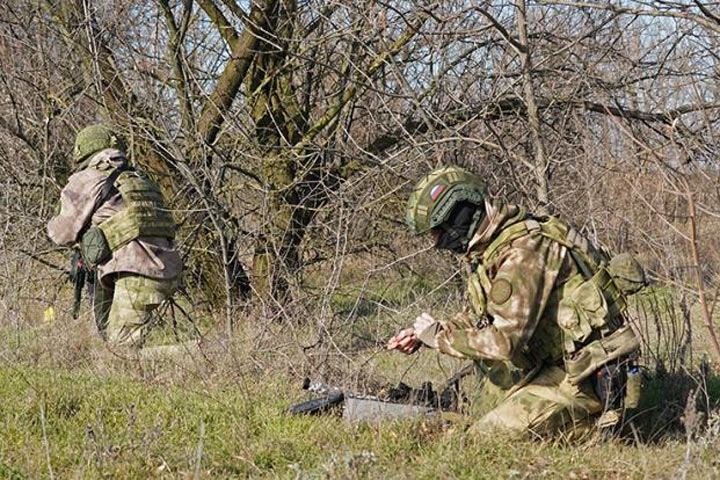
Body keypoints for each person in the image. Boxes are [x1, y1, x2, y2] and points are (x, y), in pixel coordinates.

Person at [388, 166, 644, 436]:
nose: (436, 242)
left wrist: (439, 338)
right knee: (473, 413)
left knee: (484, 440)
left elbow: (503, 342)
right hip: (556, 367)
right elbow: (483, 318)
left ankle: (596, 426)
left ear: (457, 219)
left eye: (438, 233)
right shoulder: (494, 249)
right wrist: (427, 333)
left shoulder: (523, 251)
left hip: (585, 378)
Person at [48, 124, 182, 347]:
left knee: (122, 351)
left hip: (136, 272)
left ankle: (199, 353)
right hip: (167, 267)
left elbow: (61, 234)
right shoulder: (138, 178)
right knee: (112, 339)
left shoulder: (87, 178)